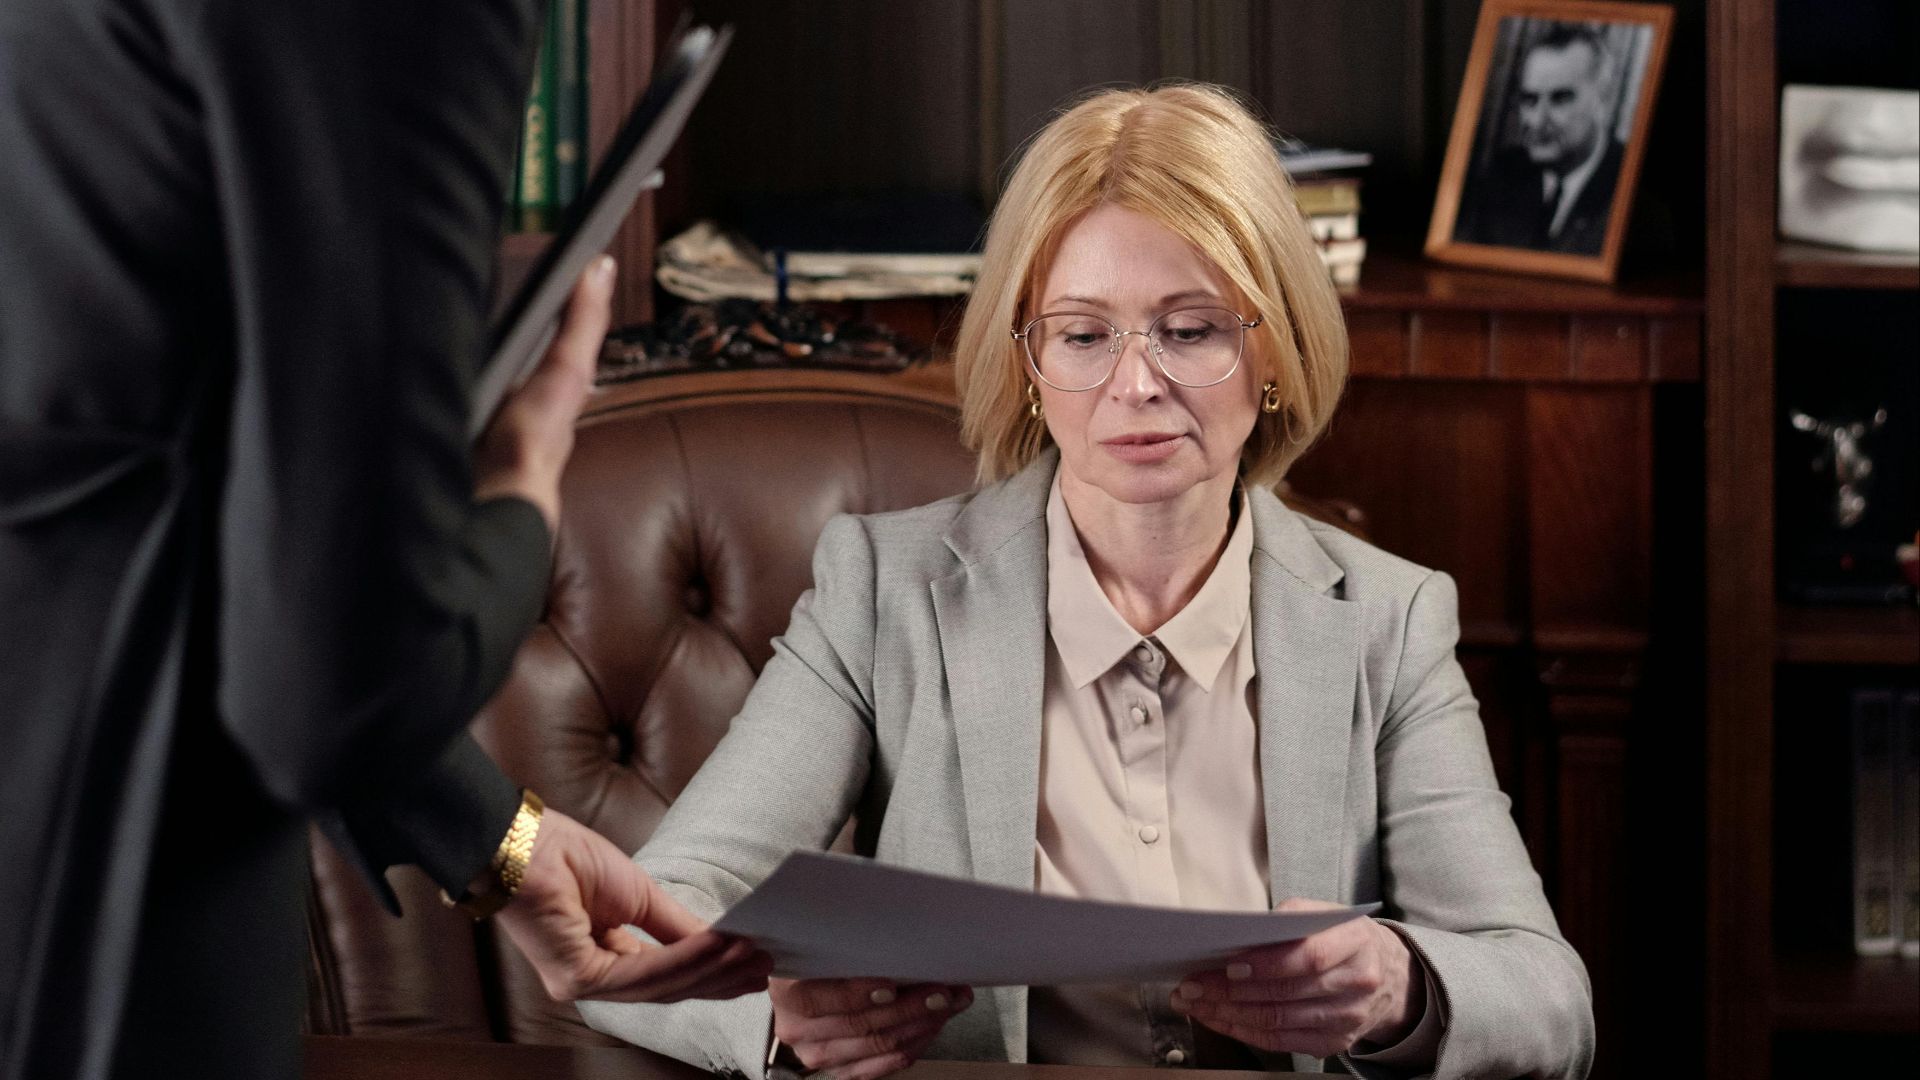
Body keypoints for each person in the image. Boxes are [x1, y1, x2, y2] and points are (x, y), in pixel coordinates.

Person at [578, 84, 1594, 1079]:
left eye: (1190, 330)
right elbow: (640, 924)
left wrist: (1401, 989)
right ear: (1028, 361)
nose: (1137, 382)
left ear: (1271, 349)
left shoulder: (1387, 617)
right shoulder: (883, 593)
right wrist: (776, 1025)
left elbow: (1548, 999)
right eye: (1082, 334)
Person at [0, 3, 767, 1079]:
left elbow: (149, 451)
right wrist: (524, 490)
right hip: (93, 911)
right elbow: (330, 688)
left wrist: (499, 844)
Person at [1454, 24, 1627, 255]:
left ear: (1602, 99)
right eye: (1529, 99)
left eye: (1560, 99)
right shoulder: (1502, 174)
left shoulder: (1630, 183)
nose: (1537, 121)